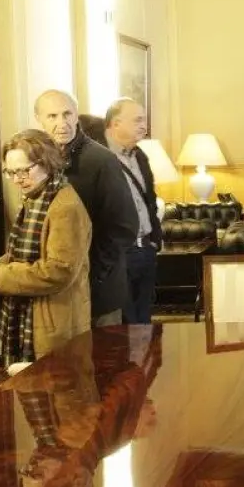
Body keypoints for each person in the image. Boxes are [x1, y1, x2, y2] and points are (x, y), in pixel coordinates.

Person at [0, 129, 92, 363]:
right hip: (40, 317)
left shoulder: (64, 206)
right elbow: (26, 253)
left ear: (47, 162)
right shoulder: (37, 196)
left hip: (55, 319)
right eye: (11, 172)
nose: (17, 179)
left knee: (54, 384)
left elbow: (59, 271)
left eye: (24, 170)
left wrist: (2, 275)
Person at [34, 90, 138, 327]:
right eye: (52, 116)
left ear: (76, 115)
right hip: (59, 290)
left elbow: (124, 227)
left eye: (67, 114)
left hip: (98, 289)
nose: (62, 123)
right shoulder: (38, 159)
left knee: (105, 350)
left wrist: (93, 272)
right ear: (39, 119)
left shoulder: (102, 160)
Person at [104, 98, 162, 325]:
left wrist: (154, 240)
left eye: (144, 120)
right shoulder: (100, 158)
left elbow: (150, 200)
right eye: (138, 120)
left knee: (143, 320)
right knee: (123, 324)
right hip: (118, 254)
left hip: (144, 249)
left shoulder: (140, 156)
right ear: (116, 123)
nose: (143, 126)